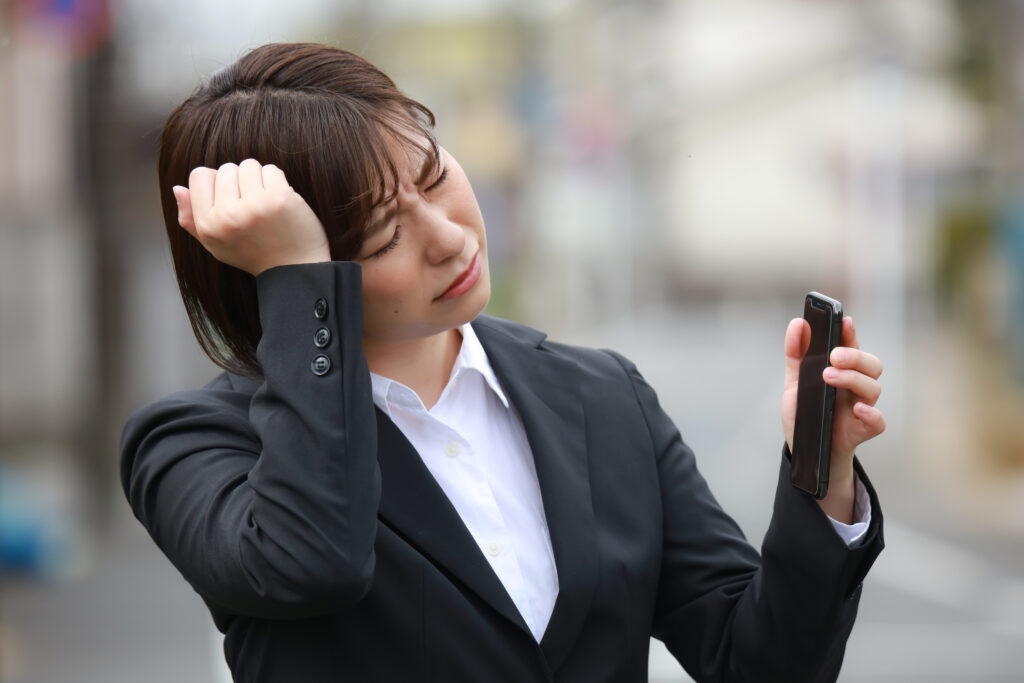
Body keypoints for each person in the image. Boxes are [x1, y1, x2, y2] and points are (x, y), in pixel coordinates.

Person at [120, 43, 886, 682]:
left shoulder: (599, 393)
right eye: (384, 234)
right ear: (291, 264)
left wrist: (823, 473)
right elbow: (312, 561)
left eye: (433, 177)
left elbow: (758, 661)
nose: (449, 236)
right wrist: (293, 281)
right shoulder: (197, 445)